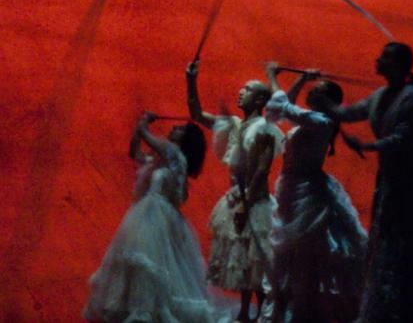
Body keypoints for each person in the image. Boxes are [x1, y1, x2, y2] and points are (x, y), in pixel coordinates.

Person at [325, 42, 413, 322]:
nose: (378, 60)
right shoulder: (381, 95)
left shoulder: (411, 99)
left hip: (411, 179)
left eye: (385, 58)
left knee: (407, 241)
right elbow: (352, 113)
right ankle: (391, 308)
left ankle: (412, 308)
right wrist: (329, 106)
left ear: (399, 65)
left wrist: (367, 145)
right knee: (389, 239)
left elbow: (404, 138)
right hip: (390, 177)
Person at [83, 113, 220, 322]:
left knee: (147, 262)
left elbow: (148, 137)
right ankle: (141, 309)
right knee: (143, 265)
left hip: (155, 217)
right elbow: (135, 152)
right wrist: (139, 129)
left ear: (185, 140)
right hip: (152, 214)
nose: (175, 129)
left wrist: (143, 124)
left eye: (181, 129)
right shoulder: (165, 160)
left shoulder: (173, 153)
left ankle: (146, 312)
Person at [263, 62, 368, 322]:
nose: (312, 93)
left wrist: (271, 75)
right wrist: (298, 81)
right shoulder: (315, 120)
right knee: (293, 253)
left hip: (305, 195)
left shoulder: (320, 121)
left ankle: (304, 313)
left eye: (317, 91)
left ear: (326, 100)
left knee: (303, 255)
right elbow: (286, 107)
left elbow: (282, 107)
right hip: (293, 190)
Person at [187, 60, 284, 323]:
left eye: (248, 89)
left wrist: (246, 204)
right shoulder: (231, 123)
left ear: (260, 99)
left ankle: (264, 314)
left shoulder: (265, 129)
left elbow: (262, 170)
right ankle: (244, 312)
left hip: (255, 202)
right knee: (243, 257)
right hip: (235, 199)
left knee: (256, 260)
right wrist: (191, 80)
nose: (241, 92)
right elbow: (196, 114)